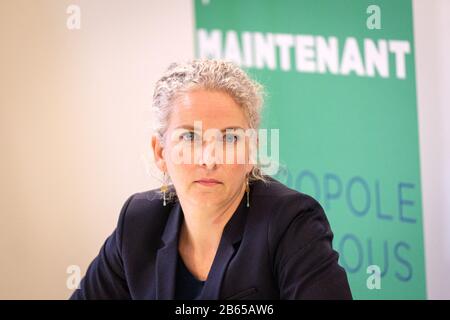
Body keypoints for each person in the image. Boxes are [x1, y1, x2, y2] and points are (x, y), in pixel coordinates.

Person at [70, 59, 352, 300]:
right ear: (160, 152)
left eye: (229, 138)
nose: (209, 159)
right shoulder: (139, 221)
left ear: (251, 150)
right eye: (190, 137)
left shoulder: (289, 222)